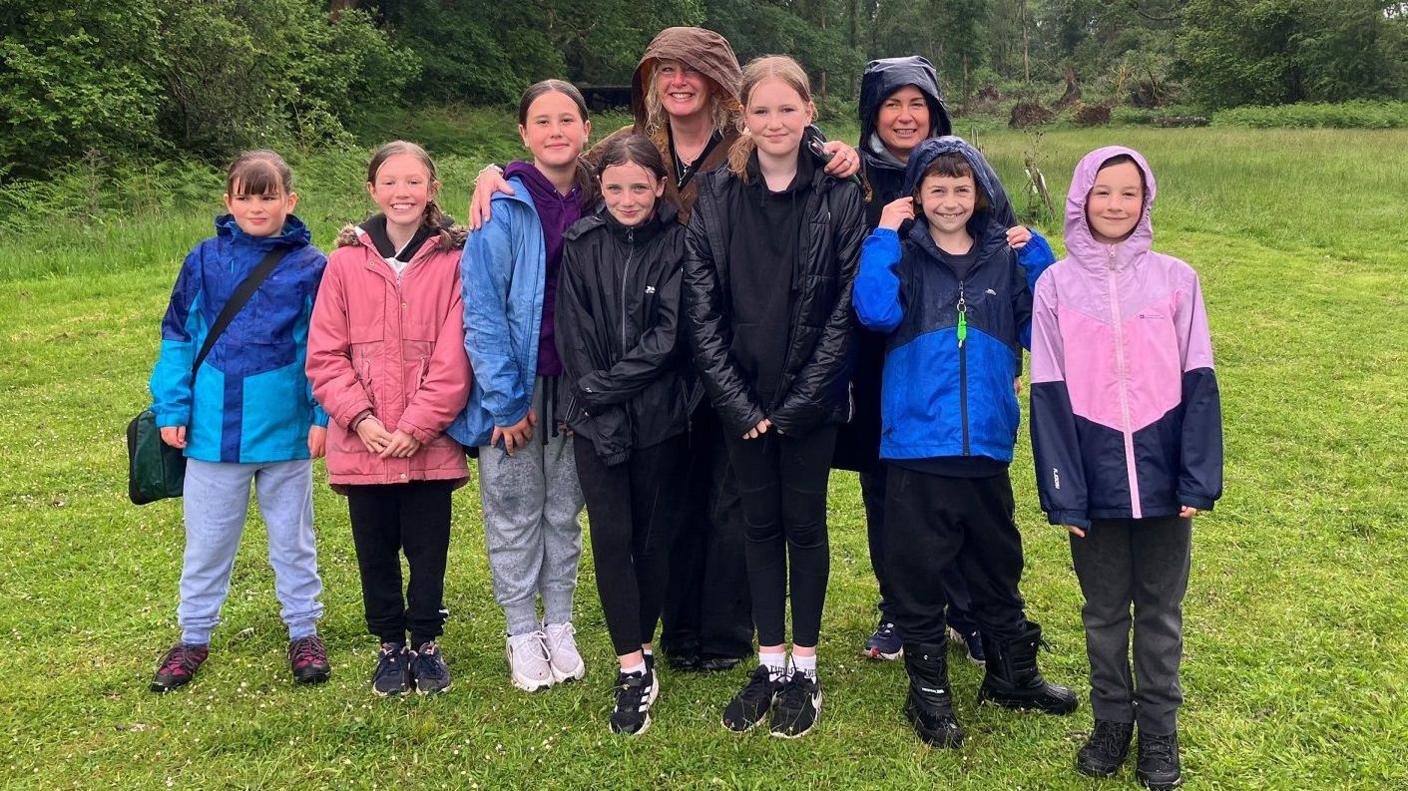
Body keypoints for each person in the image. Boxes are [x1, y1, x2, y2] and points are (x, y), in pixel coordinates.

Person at [468, 28, 862, 674]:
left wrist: (836, 151)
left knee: (729, 494)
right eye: (665, 71)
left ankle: (727, 629)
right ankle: (678, 627)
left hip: (729, 341)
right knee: (674, 500)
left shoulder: (739, 145)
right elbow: (555, 166)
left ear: (716, 81)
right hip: (655, 356)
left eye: (691, 71)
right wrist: (496, 173)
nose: (677, 81)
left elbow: (790, 142)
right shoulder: (627, 151)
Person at [853, 136, 1074, 750]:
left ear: (980, 195)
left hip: (987, 450)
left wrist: (1039, 258)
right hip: (917, 449)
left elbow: (1047, 329)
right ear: (916, 197)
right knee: (918, 573)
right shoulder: (902, 255)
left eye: (961, 189)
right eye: (936, 189)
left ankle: (1012, 673)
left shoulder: (1003, 259)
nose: (949, 200)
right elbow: (872, 313)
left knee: (998, 565)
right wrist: (882, 236)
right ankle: (928, 692)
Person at [1030, 147, 1223, 790]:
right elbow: (1050, 393)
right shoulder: (1054, 286)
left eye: (1129, 194)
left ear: (1146, 202)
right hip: (1094, 477)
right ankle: (1112, 720)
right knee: (1104, 613)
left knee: (1162, 613)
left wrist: (1197, 477)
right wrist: (1065, 491)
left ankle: (1159, 733)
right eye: (1103, 192)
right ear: (1081, 196)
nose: (1115, 205)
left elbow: (1200, 379)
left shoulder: (1176, 279)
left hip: (1167, 480)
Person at [684, 55, 865, 738]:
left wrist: (800, 404)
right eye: (760, 111)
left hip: (810, 401)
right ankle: (769, 662)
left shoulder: (841, 192)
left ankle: (807, 667)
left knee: (804, 525)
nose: (774, 122)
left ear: (808, 112)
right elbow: (700, 310)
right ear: (743, 118)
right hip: (742, 401)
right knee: (758, 526)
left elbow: (847, 306)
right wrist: (738, 402)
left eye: (787, 110)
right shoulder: (717, 196)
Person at [147, 150, 330, 692]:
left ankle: (304, 630)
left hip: (286, 429)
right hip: (211, 429)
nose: (257, 205)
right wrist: (173, 407)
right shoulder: (203, 258)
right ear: (228, 202)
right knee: (207, 541)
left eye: (268, 195)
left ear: (289, 201)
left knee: (293, 540)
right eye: (246, 196)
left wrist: (322, 414)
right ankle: (193, 636)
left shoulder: (313, 266)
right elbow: (178, 335)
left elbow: (323, 346)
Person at [837, 55, 987, 666]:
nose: (904, 116)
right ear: (874, 113)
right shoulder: (848, 175)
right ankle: (900, 603)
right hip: (878, 354)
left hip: (952, 357)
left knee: (962, 483)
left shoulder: (963, 169)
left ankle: (968, 607)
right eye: (892, 104)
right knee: (889, 486)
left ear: (934, 109)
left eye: (916, 103)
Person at [306, 140, 471, 696]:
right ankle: (389, 645)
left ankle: (425, 642)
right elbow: (326, 355)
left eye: (414, 182)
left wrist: (417, 426)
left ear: (432, 190)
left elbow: (455, 355)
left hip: (428, 443)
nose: (403, 192)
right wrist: (360, 418)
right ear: (372, 190)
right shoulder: (344, 264)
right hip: (364, 443)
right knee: (373, 549)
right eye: (391, 182)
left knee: (428, 549)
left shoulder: (453, 262)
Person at [448, 80, 592, 692]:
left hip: (582, 383)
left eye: (567, 119)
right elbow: (480, 310)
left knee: (565, 510)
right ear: (524, 134)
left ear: (587, 129)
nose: (556, 131)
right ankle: (519, 631)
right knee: (512, 510)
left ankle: (558, 624)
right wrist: (505, 401)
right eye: (542, 121)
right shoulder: (502, 207)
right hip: (515, 384)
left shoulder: (602, 196)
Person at [555, 134, 698, 735]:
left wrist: (604, 389)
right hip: (594, 418)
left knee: (652, 539)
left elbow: (668, 338)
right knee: (611, 539)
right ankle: (631, 667)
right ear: (601, 190)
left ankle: (645, 639)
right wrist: (595, 399)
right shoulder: (581, 244)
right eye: (615, 187)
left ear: (660, 186)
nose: (627, 198)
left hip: (661, 416)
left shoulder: (679, 245)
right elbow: (574, 330)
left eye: (640, 186)